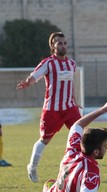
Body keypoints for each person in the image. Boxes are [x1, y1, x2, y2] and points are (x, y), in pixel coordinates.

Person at [16, 32, 81, 182]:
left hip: (70, 108)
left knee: (80, 135)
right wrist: (28, 82)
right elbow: (35, 76)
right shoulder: (48, 63)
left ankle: (71, 168)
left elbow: (71, 85)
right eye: (59, 43)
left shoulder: (72, 64)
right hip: (52, 110)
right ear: (53, 46)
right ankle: (32, 166)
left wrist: (74, 101)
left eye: (64, 43)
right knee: (45, 140)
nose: (63, 46)